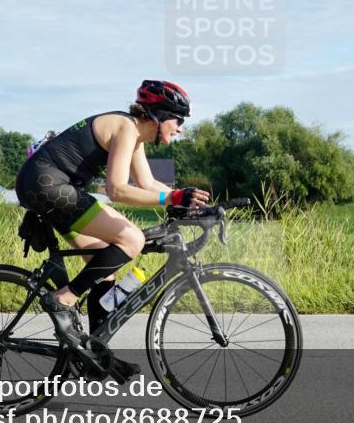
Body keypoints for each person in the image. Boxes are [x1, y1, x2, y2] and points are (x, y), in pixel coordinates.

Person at [15, 80, 210, 365]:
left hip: (50, 185)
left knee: (102, 265)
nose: (180, 127)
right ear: (158, 115)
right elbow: (117, 190)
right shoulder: (126, 128)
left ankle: (93, 351)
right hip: (47, 184)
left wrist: (190, 203)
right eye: (178, 120)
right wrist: (172, 199)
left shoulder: (134, 135)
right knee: (132, 239)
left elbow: (147, 183)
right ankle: (64, 298)